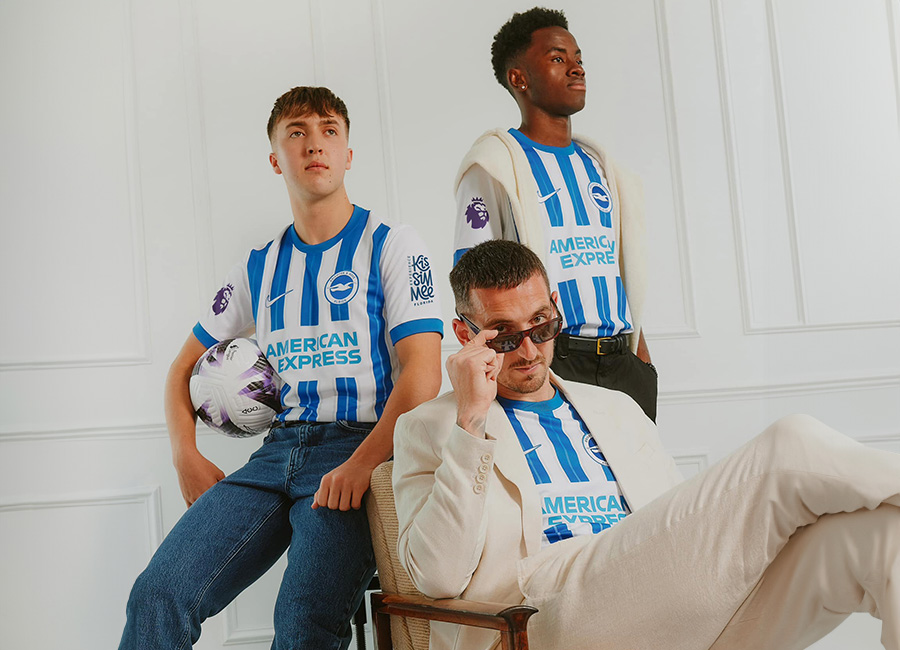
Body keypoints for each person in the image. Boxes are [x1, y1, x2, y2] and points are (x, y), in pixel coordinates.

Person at [393, 239, 900, 650]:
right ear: (465, 334)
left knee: (878, 538)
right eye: (503, 335)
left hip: (663, 608)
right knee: (789, 446)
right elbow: (438, 577)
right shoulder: (431, 427)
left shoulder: (615, 407)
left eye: (541, 325)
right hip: (542, 616)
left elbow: (676, 531)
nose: (528, 350)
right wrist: (471, 420)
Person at [120, 86, 443, 649]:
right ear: (275, 159)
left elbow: (423, 376)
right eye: (297, 132)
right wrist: (185, 455)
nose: (314, 143)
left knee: (302, 624)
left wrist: (363, 464)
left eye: (329, 130)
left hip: (359, 449)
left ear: (348, 154)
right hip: (276, 454)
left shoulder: (392, 244)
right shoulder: (259, 265)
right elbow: (182, 367)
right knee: (159, 594)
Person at [453, 7, 657, 421]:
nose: (577, 67)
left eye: (578, 57)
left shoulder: (601, 167)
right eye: (558, 58)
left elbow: (616, 271)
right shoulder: (494, 166)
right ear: (519, 78)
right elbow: (473, 280)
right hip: (552, 358)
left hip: (623, 361)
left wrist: (641, 357)